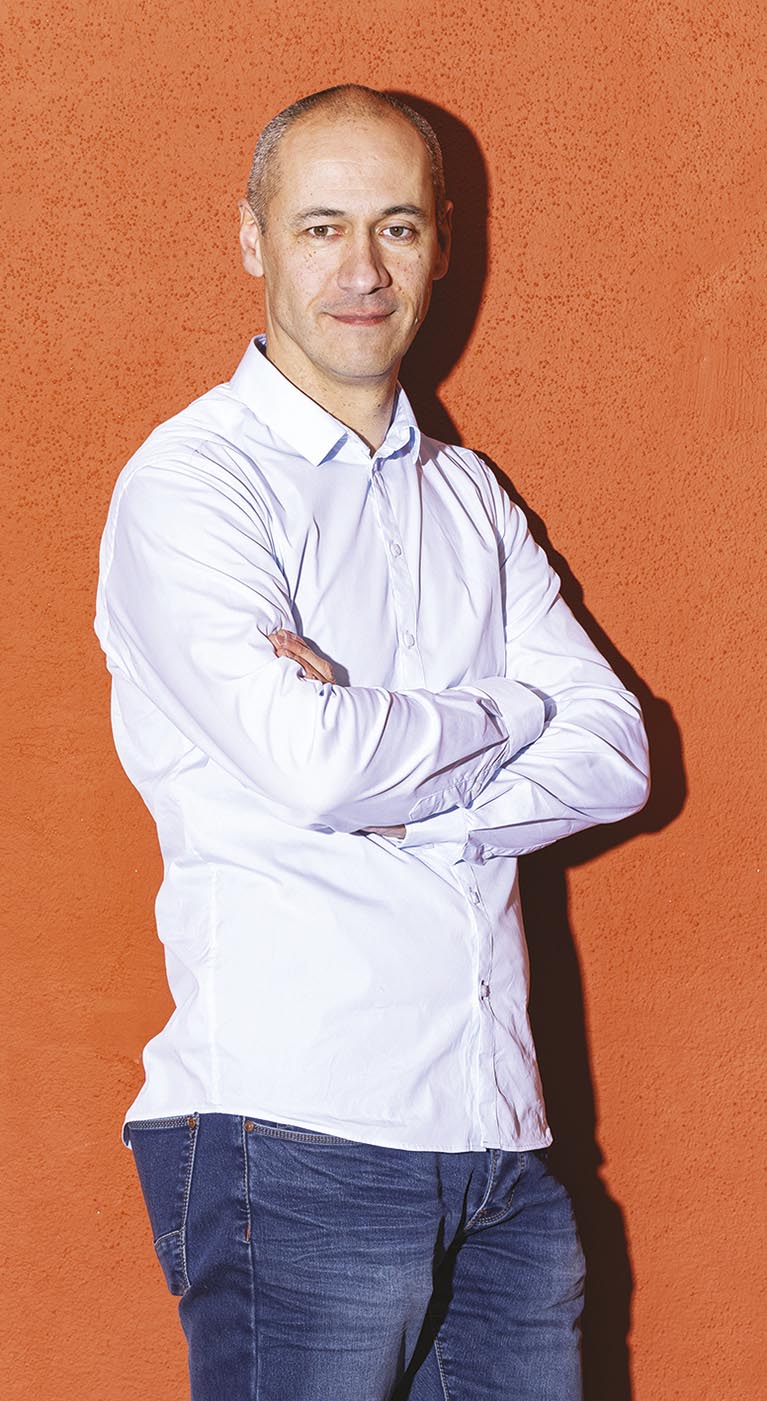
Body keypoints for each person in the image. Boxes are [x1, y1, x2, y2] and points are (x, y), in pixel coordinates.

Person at [95, 84, 649, 1401]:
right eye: (321, 227)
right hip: (295, 1127)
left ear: (441, 247)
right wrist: (507, 711)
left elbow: (617, 749)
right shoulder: (193, 482)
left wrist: (413, 787)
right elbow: (318, 764)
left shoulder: (468, 495)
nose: (362, 270)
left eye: (397, 228)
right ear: (253, 238)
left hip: (498, 1134)